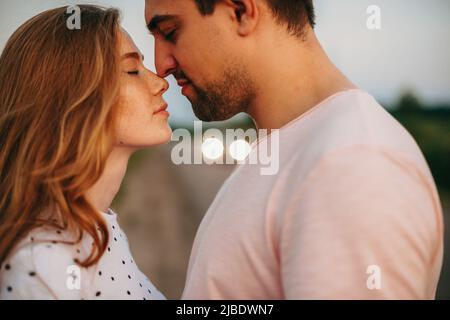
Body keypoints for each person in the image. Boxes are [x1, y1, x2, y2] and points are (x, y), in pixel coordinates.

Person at [145, 0, 444, 299]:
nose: (161, 66)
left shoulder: (352, 163)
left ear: (240, 12)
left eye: (170, 32)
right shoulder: (297, 146)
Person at [0, 5, 170, 300]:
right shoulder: (38, 267)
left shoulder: (100, 227)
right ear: (71, 98)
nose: (160, 83)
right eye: (132, 71)